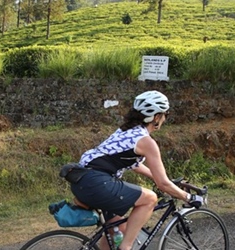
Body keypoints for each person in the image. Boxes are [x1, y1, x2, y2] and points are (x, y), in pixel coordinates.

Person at [70, 90, 203, 250]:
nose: (165, 118)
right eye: (164, 114)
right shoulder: (146, 141)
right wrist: (188, 197)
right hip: (97, 183)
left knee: (119, 229)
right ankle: (126, 247)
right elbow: (163, 184)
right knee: (150, 198)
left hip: (82, 180)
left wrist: (163, 180)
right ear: (156, 117)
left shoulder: (125, 131)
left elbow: (134, 164)